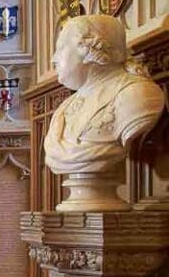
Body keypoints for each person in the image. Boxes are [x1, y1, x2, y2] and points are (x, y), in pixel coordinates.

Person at [44, 15, 165, 175]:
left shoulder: (137, 95)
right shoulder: (63, 109)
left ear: (87, 49)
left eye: (61, 48)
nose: (54, 59)